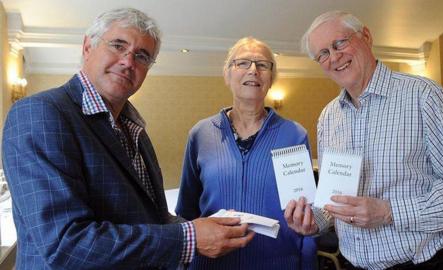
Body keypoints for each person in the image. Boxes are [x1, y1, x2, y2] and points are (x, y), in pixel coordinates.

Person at [2, 8, 254, 270]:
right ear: (88, 46)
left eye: (142, 56)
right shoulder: (40, 113)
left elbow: (150, 218)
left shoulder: (134, 129)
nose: (128, 61)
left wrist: (206, 228)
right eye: (118, 45)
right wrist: (189, 237)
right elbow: (66, 245)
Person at [284, 10, 443, 270]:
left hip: (424, 264)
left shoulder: (425, 97)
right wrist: (314, 221)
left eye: (339, 43)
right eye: (322, 54)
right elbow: (334, 199)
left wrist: (389, 212)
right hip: (353, 264)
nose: (334, 57)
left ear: (366, 36)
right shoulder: (328, 117)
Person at [175, 37, 317, 269]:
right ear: (227, 75)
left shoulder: (294, 134)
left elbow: (305, 213)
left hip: (278, 262)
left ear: (271, 79)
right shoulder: (200, 134)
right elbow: (187, 211)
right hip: (212, 264)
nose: (253, 70)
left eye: (262, 65)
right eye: (242, 63)